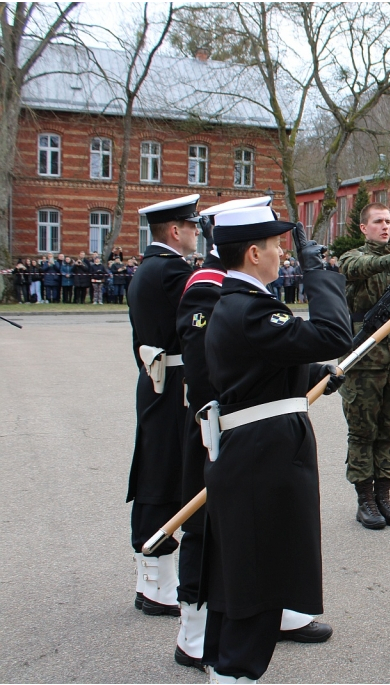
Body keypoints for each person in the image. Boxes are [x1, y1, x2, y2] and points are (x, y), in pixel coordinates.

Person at [171, 197, 333, 672]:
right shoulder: (249, 308)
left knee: (239, 591)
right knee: (257, 590)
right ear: (253, 255)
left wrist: (311, 374)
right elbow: (332, 330)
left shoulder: (240, 305)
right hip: (263, 461)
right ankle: (235, 673)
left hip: (256, 453)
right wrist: (318, 272)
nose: (283, 253)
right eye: (276, 246)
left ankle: (228, 672)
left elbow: (253, 372)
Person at [126, 194, 201, 616]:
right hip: (173, 382)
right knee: (166, 474)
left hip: (158, 379)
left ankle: (151, 580)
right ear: (175, 231)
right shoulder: (172, 269)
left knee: (158, 467)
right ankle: (156, 585)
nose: (194, 233)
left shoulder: (149, 268)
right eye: (191, 227)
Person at [337, 202, 390, 529]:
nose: (385, 226)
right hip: (363, 363)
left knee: (388, 431)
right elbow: (356, 268)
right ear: (363, 227)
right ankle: (365, 500)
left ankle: (384, 496)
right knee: (362, 432)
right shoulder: (352, 257)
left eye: (388, 221)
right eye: (378, 221)